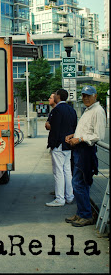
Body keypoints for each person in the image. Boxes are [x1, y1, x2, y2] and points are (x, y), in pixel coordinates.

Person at [65, 85, 106, 227]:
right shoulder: (88, 110)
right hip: (79, 149)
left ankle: (86, 214)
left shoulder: (98, 111)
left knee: (78, 183)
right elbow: (86, 131)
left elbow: (99, 135)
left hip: (85, 150)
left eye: (88, 95)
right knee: (82, 182)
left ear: (95, 96)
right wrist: (74, 136)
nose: (86, 98)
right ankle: (82, 212)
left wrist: (80, 139)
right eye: (83, 95)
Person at [45, 89, 77, 207]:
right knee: (67, 171)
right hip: (68, 145)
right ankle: (69, 196)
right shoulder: (72, 110)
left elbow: (54, 128)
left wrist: (52, 144)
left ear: (58, 96)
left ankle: (60, 198)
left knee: (58, 172)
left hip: (58, 145)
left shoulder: (57, 110)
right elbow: (74, 127)